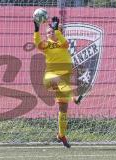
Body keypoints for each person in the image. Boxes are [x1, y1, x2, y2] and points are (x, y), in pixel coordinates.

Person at [33, 16, 82, 148]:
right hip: (50, 78)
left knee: (63, 109)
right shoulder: (46, 45)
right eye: (48, 32)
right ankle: (74, 97)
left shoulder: (62, 43)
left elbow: (65, 44)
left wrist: (57, 30)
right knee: (57, 79)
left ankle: (61, 134)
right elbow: (38, 43)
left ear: (58, 31)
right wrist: (36, 28)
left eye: (53, 31)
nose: (50, 33)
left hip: (64, 81)